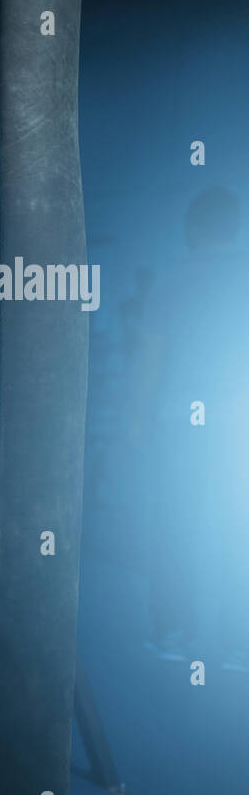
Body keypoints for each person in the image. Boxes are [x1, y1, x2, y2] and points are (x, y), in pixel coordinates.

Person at [134, 185, 248, 673]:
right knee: (237, 533)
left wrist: (137, 424)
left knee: (174, 530)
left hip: (183, 428)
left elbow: (149, 364)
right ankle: (239, 646)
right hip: (238, 425)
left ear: (193, 230)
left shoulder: (173, 281)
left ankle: (174, 634)